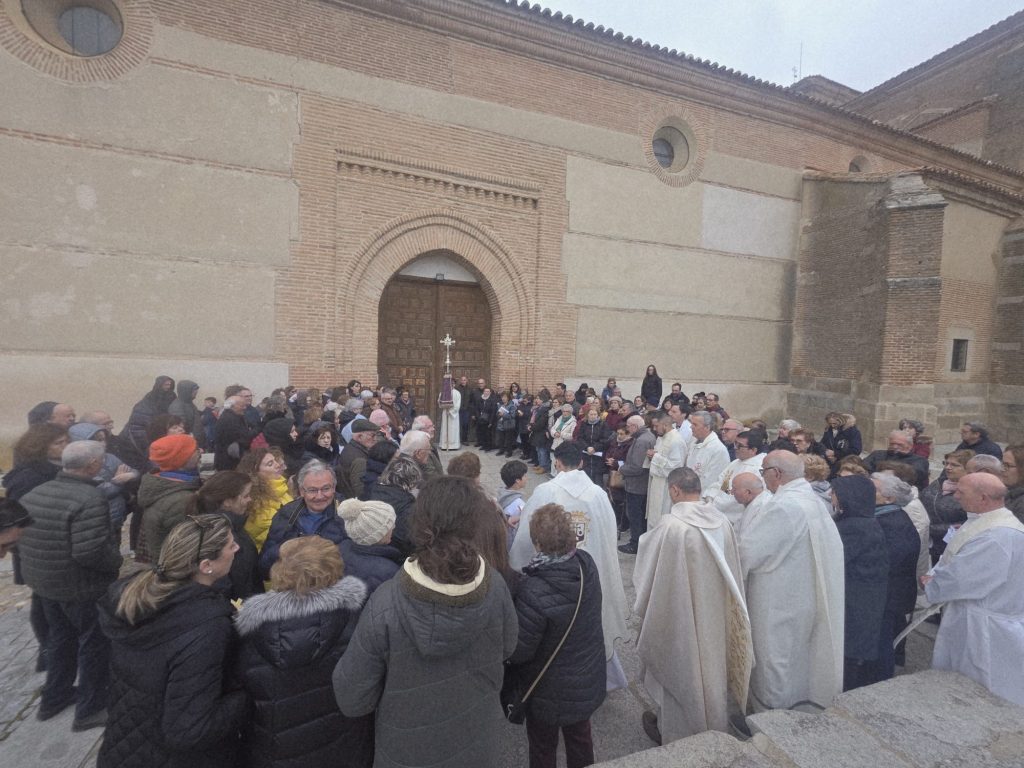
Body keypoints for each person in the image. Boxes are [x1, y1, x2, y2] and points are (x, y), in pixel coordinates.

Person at [333, 476, 518, 768]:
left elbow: (352, 698)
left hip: (406, 750)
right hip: (477, 740)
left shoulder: (386, 602)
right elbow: (509, 647)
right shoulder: (495, 585)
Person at [97, 514, 247, 767]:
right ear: (206, 565)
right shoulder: (206, 626)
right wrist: (246, 697)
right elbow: (190, 729)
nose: (237, 548)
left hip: (127, 743)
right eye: (231, 545)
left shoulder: (139, 595)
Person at [633, 468, 752, 744]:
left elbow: (648, 573)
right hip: (715, 612)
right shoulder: (721, 521)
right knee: (710, 666)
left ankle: (674, 731)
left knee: (680, 664)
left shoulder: (671, 526)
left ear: (674, 490)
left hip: (679, 612)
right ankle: (709, 721)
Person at [235, 536, 374, 768]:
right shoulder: (358, 622)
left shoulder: (250, 632)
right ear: (335, 569)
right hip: (342, 747)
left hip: (274, 750)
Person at [18, 441, 122, 730]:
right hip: (81, 588)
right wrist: (115, 563)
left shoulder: (37, 492)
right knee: (93, 644)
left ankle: (54, 698)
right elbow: (90, 551)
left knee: (61, 639)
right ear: (92, 466)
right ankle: (90, 709)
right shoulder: (89, 498)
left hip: (46, 584)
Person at [510, 442, 629, 687]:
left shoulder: (546, 491)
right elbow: (608, 537)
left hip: (551, 579)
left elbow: (525, 536)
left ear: (557, 462)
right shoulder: (597, 493)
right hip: (589, 574)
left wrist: (517, 566)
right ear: (582, 462)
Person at [739, 450, 844, 712]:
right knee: (795, 657)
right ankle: (795, 708)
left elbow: (748, 553)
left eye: (763, 472)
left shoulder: (783, 506)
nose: (762, 478)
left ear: (776, 474)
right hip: (802, 594)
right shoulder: (812, 501)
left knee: (774, 659)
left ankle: (770, 719)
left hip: (777, 599)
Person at [507, 504, 606, 768]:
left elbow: (521, 650)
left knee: (542, 746)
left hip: (547, 687)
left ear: (537, 543)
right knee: (580, 739)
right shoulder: (586, 565)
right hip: (585, 674)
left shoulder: (533, 588)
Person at [922, 473, 1024, 706]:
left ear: (984, 498)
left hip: (985, 625)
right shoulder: (985, 520)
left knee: (983, 682)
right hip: (974, 614)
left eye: (962, 492)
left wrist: (932, 583)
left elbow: (963, 577)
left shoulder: (997, 536)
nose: (955, 496)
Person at [829, 474, 888, 691]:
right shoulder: (857, 521)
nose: (830, 496)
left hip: (856, 601)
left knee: (849, 656)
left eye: (835, 493)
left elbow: (835, 558)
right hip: (857, 597)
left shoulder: (856, 527)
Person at [869, 472, 920, 682]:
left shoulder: (894, 523)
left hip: (889, 596)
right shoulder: (885, 517)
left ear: (888, 498)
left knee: (882, 642)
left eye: (872, 489)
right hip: (886, 594)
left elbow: (888, 561)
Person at [260, 461, 347, 578]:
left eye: (326, 488)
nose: (320, 496)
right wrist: (287, 550)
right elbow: (264, 565)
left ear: (334, 488)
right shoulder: (286, 514)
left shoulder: (347, 516)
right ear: (301, 491)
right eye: (312, 490)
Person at [187, 470, 261, 600]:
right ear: (227, 502)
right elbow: (236, 581)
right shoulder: (221, 534)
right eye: (246, 496)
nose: (250, 499)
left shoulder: (232, 525)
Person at [139, 434, 203, 562]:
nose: (200, 451)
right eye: (195, 449)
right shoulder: (181, 500)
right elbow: (185, 546)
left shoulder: (162, 481)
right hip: (179, 565)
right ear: (182, 458)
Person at [338, 498, 403, 592]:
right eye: (390, 525)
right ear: (378, 535)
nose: (394, 527)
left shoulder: (342, 547)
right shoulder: (388, 571)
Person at [919, 449, 972, 563]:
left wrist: (933, 529)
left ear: (968, 469)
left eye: (954, 465)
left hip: (955, 546)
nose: (948, 467)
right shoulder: (939, 482)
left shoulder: (972, 491)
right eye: (946, 463)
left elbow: (968, 522)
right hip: (934, 544)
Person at [238, 447, 294, 551]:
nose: (278, 465)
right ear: (256, 472)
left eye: (275, 461)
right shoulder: (253, 501)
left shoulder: (282, 489)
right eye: (270, 464)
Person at [708, 430, 766, 528]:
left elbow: (743, 498)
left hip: (734, 519)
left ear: (753, 450)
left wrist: (716, 505)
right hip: (716, 509)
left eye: (740, 446)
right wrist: (710, 497)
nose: (735, 448)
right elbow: (720, 482)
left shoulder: (758, 469)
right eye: (735, 443)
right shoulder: (735, 463)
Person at [367, 455, 421, 557]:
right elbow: (408, 539)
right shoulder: (407, 506)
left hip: (372, 550)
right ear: (410, 481)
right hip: (396, 556)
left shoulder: (372, 491)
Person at [119, 376, 177, 469]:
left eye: (170, 384)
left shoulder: (171, 396)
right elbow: (138, 427)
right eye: (166, 384)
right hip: (142, 438)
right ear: (159, 385)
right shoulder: (149, 399)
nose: (168, 387)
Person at [617, 415, 656, 554]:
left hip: (637, 485)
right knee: (638, 515)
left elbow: (637, 467)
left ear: (635, 426)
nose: (627, 429)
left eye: (628, 426)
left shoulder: (642, 441)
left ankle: (636, 544)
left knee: (635, 516)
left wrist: (621, 469)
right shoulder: (646, 437)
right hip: (641, 484)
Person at [645, 410, 685, 529]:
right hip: (656, 482)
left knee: (662, 520)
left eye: (656, 426)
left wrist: (655, 457)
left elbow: (677, 467)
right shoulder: (660, 438)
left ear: (665, 425)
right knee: (653, 520)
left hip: (667, 487)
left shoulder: (676, 440)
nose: (654, 428)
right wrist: (651, 456)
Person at [863, 430, 930, 490]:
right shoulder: (877, 454)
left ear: (910, 446)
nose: (895, 447)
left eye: (899, 444)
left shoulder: (920, 461)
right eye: (892, 444)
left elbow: (910, 475)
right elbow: (864, 468)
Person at [684, 410, 731, 497]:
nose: (691, 427)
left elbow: (712, 480)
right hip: (688, 492)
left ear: (707, 427)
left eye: (695, 425)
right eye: (691, 423)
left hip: (703, 496)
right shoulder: (694, 441)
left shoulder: (718, 449)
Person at [336, 420, 380, 500]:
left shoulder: (350, 448)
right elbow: (361, 491)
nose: (375, 439)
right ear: (359, 437)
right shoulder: (359, 460)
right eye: (372, 435)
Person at [214, 395, 257, 471]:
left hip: (226, 459)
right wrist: (257, 430)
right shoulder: (230, 419)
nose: (245, 408)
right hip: (229, 462)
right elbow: (243, 438)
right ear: (232, 406)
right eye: (242, 406)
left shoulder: (231, 416)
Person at [577, 404, 611, 485]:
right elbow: (580, 438)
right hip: (586, 455)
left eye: (595, 414)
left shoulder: (603, 425)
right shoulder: (584, 424)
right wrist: (587, 447)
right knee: (586, 478)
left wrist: (595, 448)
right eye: (591, 414)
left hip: (598, 456)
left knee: (598, 480)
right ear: (587, 415)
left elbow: (605, 439)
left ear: (598, 415)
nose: (593, 416)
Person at [498, 460, 528, 547]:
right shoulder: (518, 504)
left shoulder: (501, 493)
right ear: (518, 480)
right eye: (525, 476)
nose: (527, 478)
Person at [529, 390, 554, 474]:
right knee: (538, 449)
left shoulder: (545, 409)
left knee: (542, 450)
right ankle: (540, 464)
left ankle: (544, 466)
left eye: (538, 398)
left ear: (543, 400)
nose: (536, 400)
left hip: (542, 433)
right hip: (537, 432)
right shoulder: (539, 408)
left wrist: (532, 427)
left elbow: (541, 423)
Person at [438, 380, 461, 450]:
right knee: (445, 428)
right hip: (445, 413)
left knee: (453, 429)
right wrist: (443, 405)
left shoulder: (457, 393)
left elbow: (458, 405)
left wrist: (451, 411)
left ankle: (454, 445)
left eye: (453, 384)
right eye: (450, 384)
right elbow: (439, 401)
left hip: (454, 415)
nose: (451, 385)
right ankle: (444, 445)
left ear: (454, 385)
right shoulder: (443, 392)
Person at [1003, 445, 1024, 522]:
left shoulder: (1021, 503)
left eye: (1007, 465)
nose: (1002, 469)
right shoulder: (1011, 493)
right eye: (1002, 464)